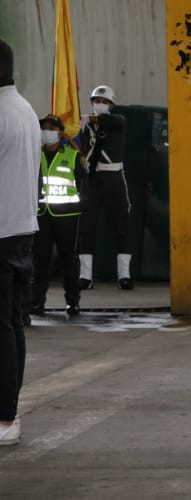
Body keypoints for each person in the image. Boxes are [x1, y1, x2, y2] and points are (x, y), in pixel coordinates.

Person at [0, 38, 40, 446]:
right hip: (20, 231)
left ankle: (5, 418)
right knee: (11, 326)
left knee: (3, 329)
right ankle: (8, 413)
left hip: (1, 235)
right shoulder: (24, 109)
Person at [78, 84, 133, 290]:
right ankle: (85, 276)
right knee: (87, 227)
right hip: (93, 178)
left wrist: (90, 119)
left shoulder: (118, 121)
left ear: (111, 105)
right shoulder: (86, 126)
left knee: (121, 226)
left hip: (114, 178)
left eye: (105, 102)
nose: (100, 105)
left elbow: (111, 122)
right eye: (97, 101)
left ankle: (124, 275)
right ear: (92, 102)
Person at [29, 114, 84, 317]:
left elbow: (83, 186)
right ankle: (36, 303)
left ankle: (72, 302)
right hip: (41, 215)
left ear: (61, 132)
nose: (47, 132)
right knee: (40, 261)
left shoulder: (72, 156)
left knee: (68, 260)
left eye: (52, 128)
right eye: (44, 128)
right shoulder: (34, 155)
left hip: (67, 216)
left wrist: (80, 206)